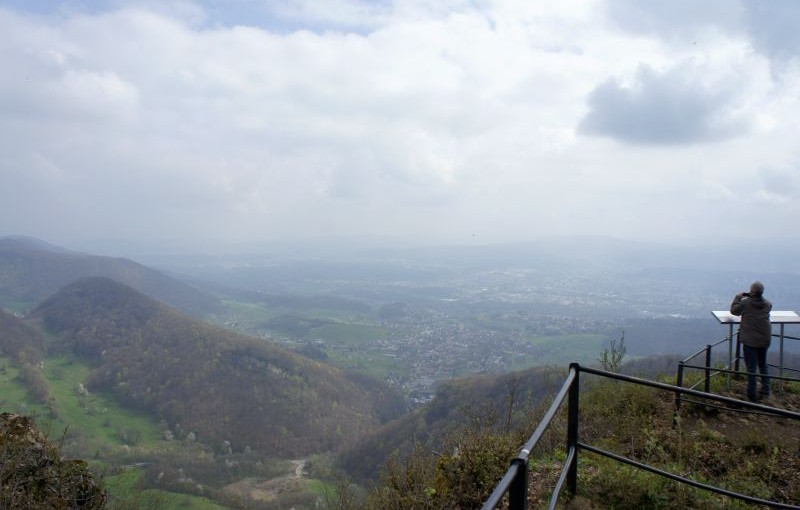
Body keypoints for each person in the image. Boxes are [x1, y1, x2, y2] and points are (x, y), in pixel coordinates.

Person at [730, 281, 772, 401]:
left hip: (750, 341)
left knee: (751, 369)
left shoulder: (745, 303)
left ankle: (751, 396)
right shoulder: (767, 304)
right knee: (763, 365)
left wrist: (738, 297)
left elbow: (734, 311)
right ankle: (765, 391)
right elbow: (767, 307)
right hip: (765, 339)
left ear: (751, 292)